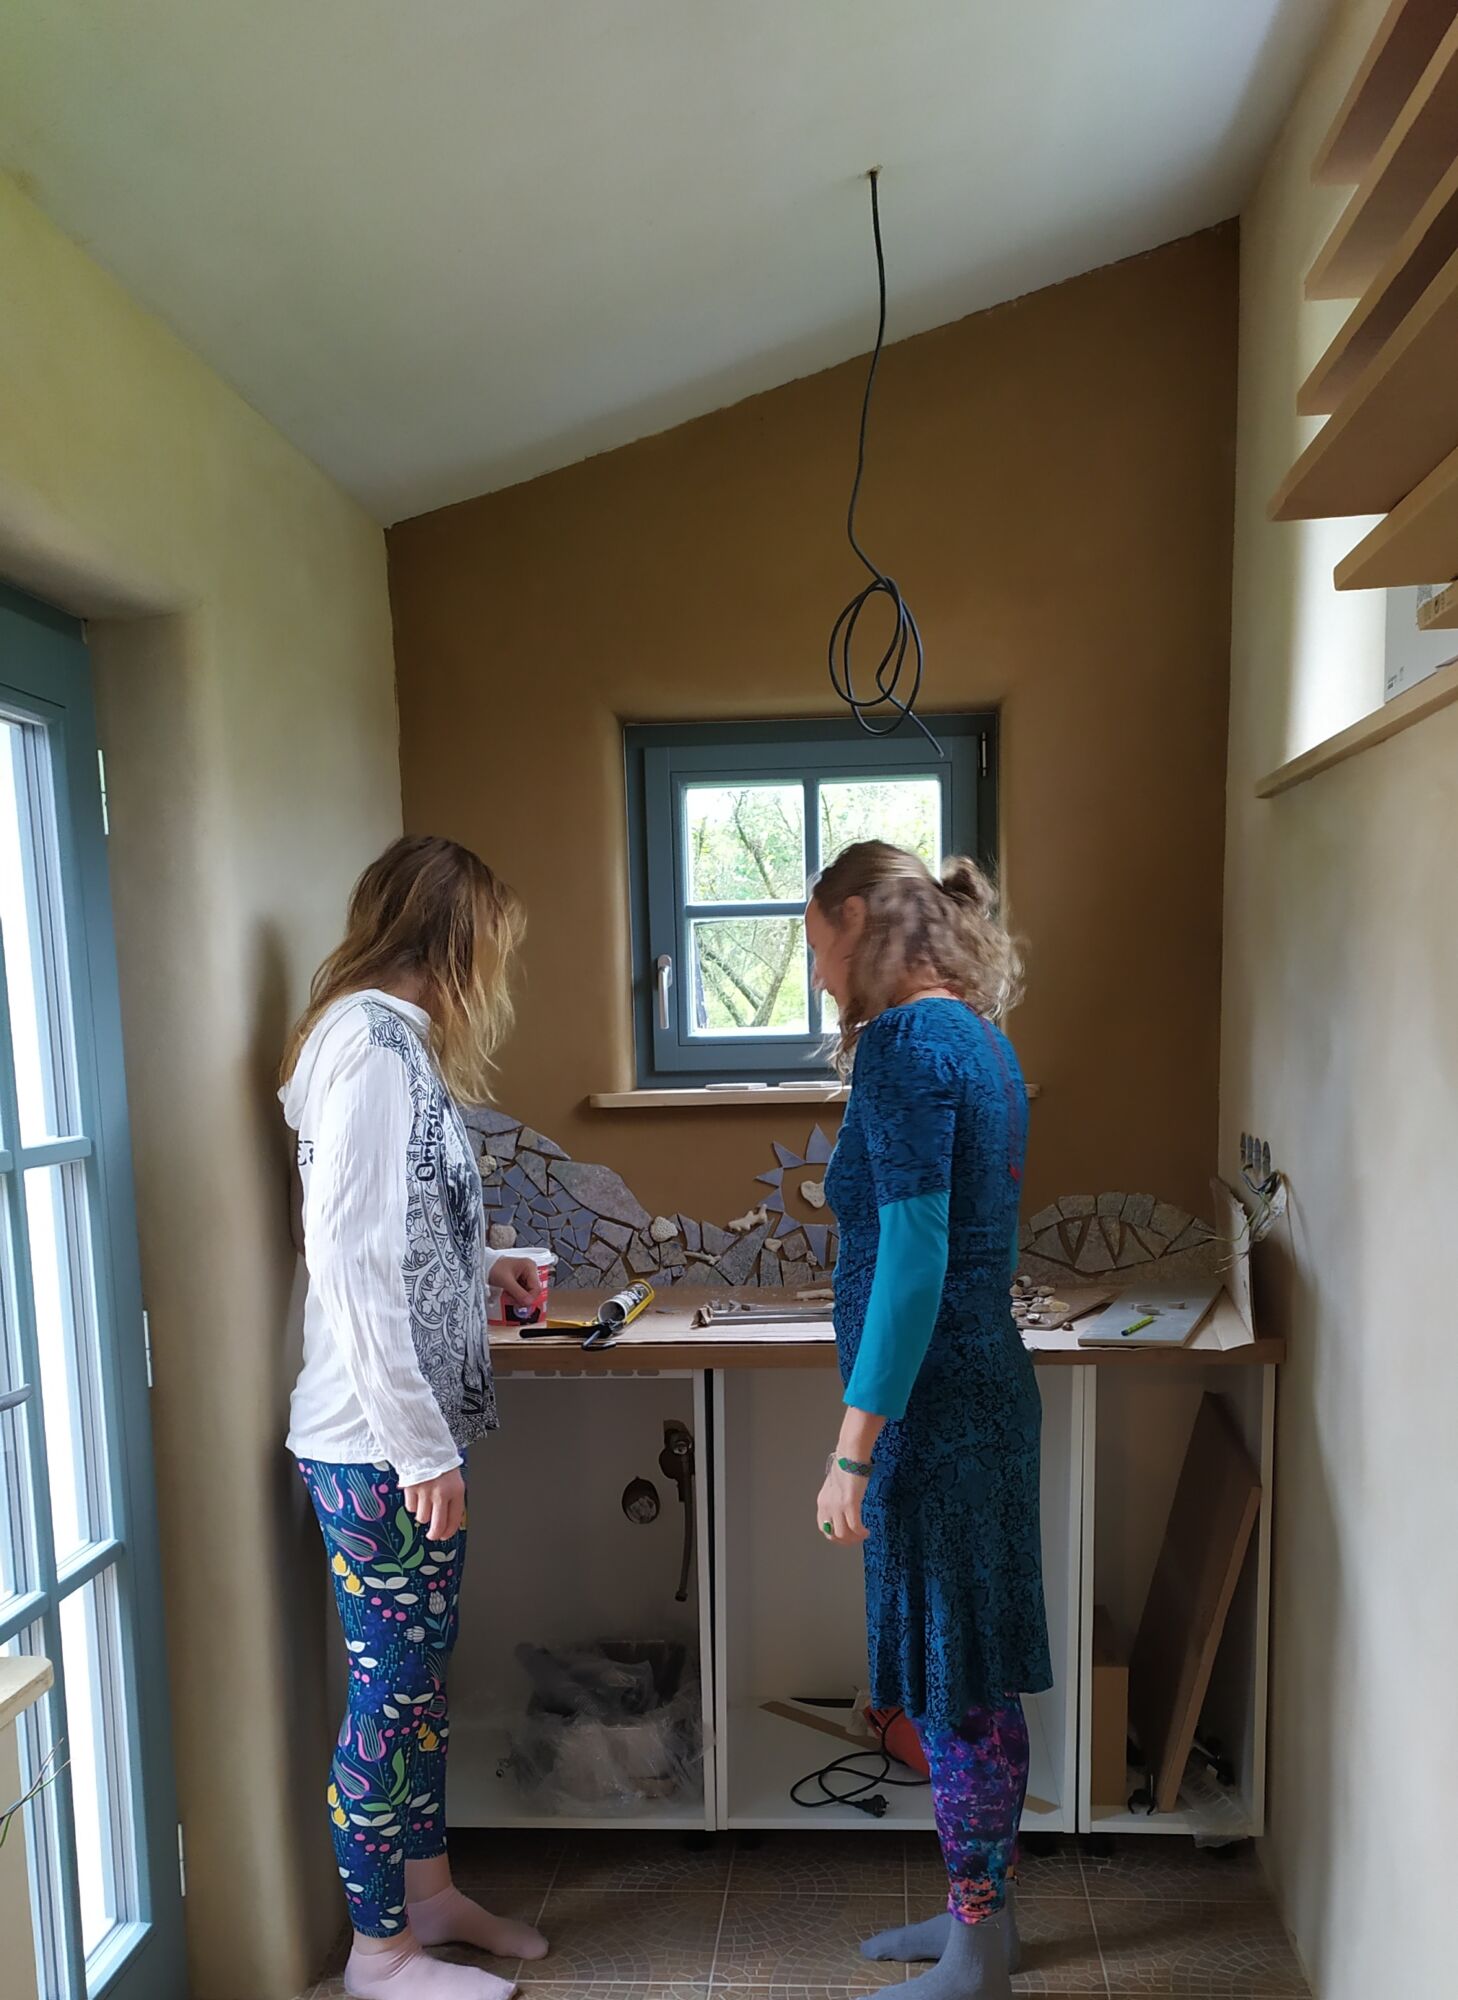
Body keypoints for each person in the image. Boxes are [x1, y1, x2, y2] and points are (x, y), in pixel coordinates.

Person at [282, 835, 550, 2000]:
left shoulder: (381, 1042)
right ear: (454, 941)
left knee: (419, 1684)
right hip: (375, 1443)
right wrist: (420, 1447)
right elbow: (348, 1259)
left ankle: (428, 1893)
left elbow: (397, 1234)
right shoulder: (371, 1047)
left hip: (397, 1438)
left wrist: (485, 1265)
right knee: (388, 1700)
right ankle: (379, 1953)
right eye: (491, 948)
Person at [807, 840, 1051, 2000]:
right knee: (972, 1678)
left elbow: (912, 1260)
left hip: (937, 1411)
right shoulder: (979, 1036)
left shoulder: (904, 1044)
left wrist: (851, 1449)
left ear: (857, 919)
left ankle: (977, 1954)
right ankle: (977, 1921)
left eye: (818, 945)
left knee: (957, 1687)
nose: (819, 975)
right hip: (975, 1392)